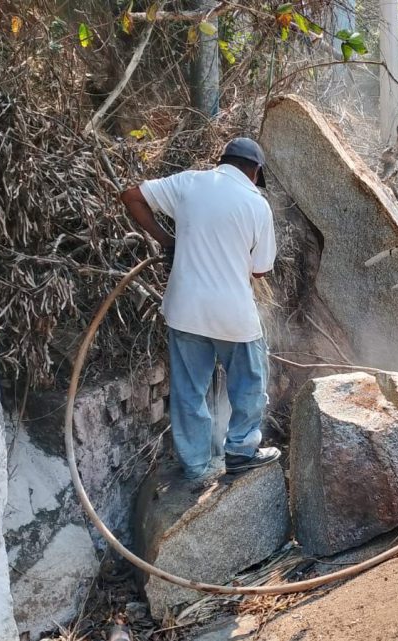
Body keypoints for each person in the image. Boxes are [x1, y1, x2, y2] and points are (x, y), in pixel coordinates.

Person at [119, 137, 280, 482]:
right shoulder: (257, 204)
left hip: (185, 310)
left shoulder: (188, 183)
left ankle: (195, 465)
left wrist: (167, 241)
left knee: (189, 390)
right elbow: (260, 270)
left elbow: (131, 195)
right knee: (249, 382)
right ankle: (240, 451)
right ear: (255, 172)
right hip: (232, 315)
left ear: (223, 161)